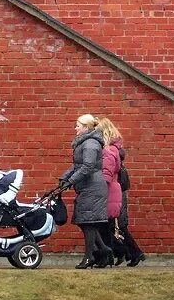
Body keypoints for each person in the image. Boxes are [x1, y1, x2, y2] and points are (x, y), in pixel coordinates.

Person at [59, 114, 114, 269]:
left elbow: (87, 167)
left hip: (92, 188)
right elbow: (78, 166)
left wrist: (71, 180)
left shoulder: (90, 144)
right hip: (88, 187)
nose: (75, 127)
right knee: (84, 222)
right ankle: (104, 250)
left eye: (78, 125)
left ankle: (89, 257)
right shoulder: (86, 143)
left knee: (88, 223)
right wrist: (64, 178)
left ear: (85, 127)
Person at [99, 118, 146, 267]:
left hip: (112, 191)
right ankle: (126, 252)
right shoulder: (117, 149)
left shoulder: (109, 150)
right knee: (114, 225)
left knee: (114, 225)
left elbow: (107, 173)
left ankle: (130, 252)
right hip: (118, 190)